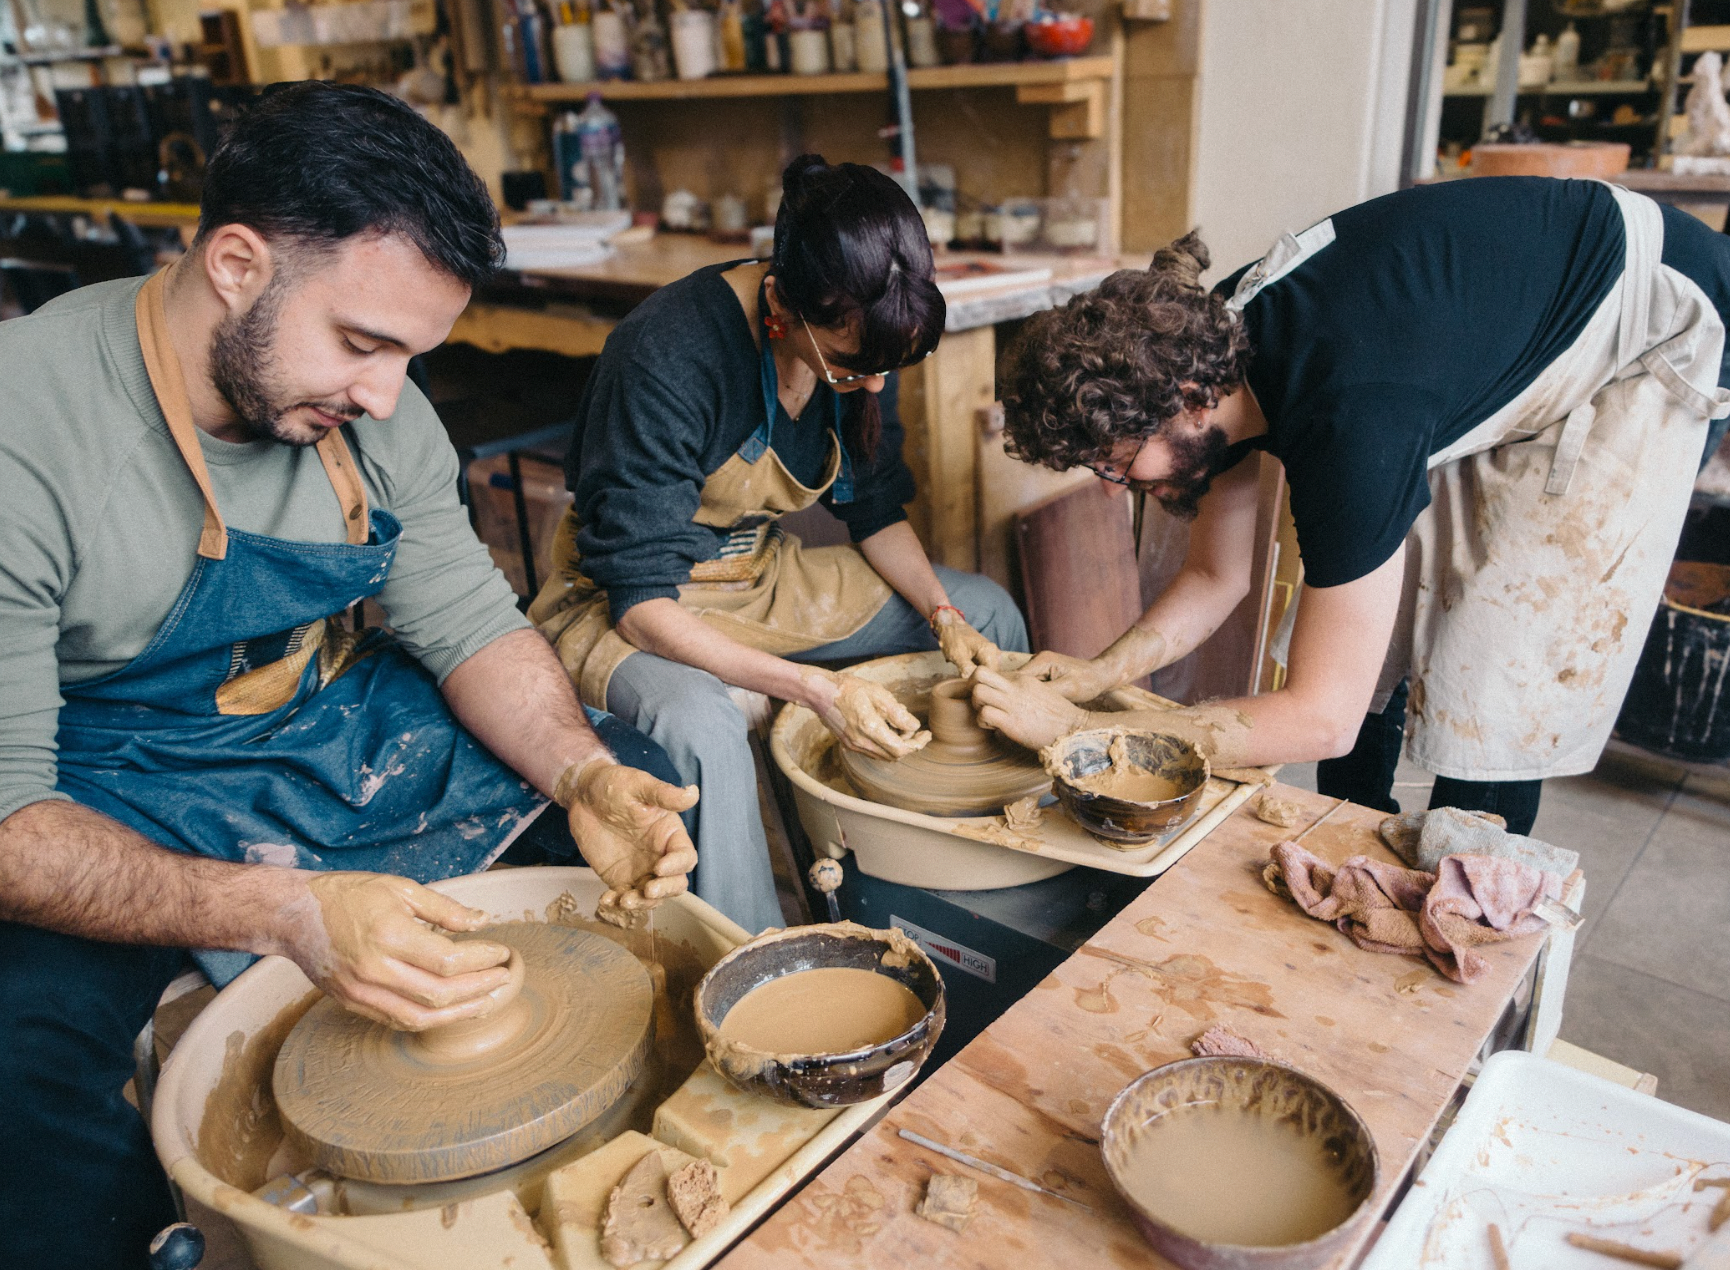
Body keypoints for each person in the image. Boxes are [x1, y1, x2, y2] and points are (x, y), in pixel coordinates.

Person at [0, 83, 700, 1270]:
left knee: (632, 780)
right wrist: (288, 910)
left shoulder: (375, 414)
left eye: (411, 354)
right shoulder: (29, 430)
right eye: (364, 342)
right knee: (21, 1073)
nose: (384, 394)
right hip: (97, 771)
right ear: (235, 261)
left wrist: (583, 774)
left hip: (319, 718)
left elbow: (472, 623)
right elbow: (9, 827)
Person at [977, 177, 1730, 835]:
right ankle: (1359, 826)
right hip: (1484, 315)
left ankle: (1471, 876)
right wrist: (1098, 671)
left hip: (1653, 322)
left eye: (1119, 462)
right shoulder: (1202, 350)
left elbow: (1323, 716)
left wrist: (1091, 733)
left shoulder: (1350, 420)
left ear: (1187, 399)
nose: (1121, 483)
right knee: (1368, 623)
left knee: (1500, 656)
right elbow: (1219, 575)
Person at [532, 155, 1027, 932]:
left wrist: (944, 617)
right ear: (782, 305)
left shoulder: (864, 337)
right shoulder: (669, 352)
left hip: (754, 574)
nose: (871, 386)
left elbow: (874, 513)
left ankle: (989, 878)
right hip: (626, 599)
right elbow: (638, 604)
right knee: (703, 726)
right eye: (854, 366)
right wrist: (818, 693)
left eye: (882, 370)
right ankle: (754, 956)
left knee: (987, 612)